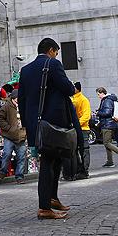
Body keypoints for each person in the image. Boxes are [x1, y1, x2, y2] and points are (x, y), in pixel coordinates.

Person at [17, 38, 76, 220]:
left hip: (36, 125)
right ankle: (44, 207)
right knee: (49, 163)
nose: (56, 55)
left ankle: (52, 198)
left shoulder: (25, 70)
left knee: (55, 160)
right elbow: (68, 89)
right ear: (51, 50)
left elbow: (22, 100)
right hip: (52, 124)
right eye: (56, 52)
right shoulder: (53, 64)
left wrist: (27, 125)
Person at [0, 85, 27, 184]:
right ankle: (3, 171)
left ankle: (19, 177)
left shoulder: (24, 106)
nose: (19, 100)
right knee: (7, 154)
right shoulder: (6, 106)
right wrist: (8, 128)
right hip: (9, 136)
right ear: (13, 98)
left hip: (21, 135)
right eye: (17, 98)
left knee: (21, 157)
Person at [95, 87, 118, 168]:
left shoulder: (107, 100)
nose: (98, 96)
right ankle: (110, 162)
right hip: (110, 124)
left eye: (98, 94)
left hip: (108, 124)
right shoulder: (109, 99)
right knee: (107, 143)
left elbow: (107, 112)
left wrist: (98, 113)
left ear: (102, 93)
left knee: (107, 143)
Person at [71, 82, 91, 179]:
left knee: (84, 150)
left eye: (73, 87)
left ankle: (85, 171)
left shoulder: (83, 99)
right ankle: (78, 170)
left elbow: (86, 115)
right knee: (75, 151)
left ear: (77, 89)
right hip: (74, 129)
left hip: (83, 129)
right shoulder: (72, 99)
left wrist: (76, 124)